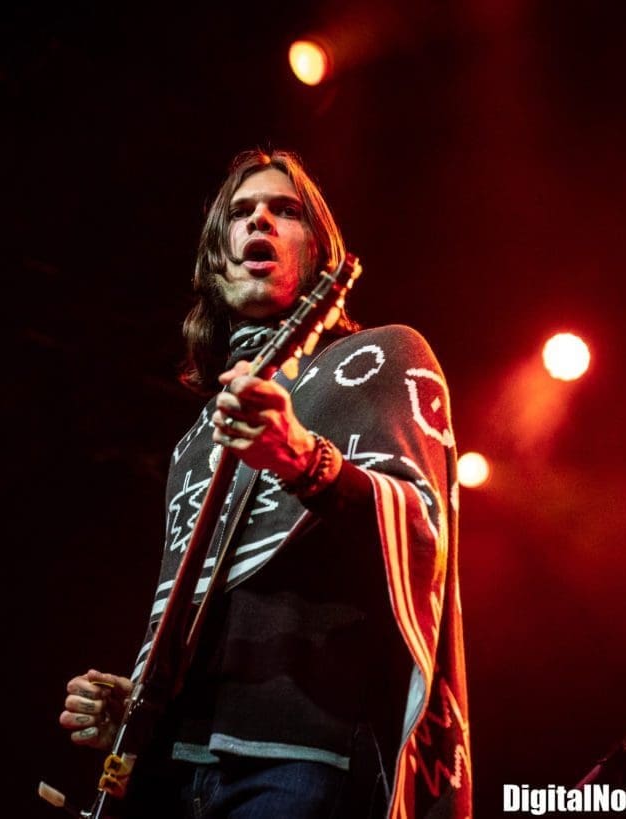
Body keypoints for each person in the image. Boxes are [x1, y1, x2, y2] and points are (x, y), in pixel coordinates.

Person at [57, 148, 472, 818]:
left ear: (321, 251)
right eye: (243, 213)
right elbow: (187, 608)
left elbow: (421, 540)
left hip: (302, 759)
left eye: (286, 211)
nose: (262, 222)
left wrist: (307, 461)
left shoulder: (380, 356)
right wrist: (135, 708)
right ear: (215, 261)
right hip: (174, 770)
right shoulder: (194, 441)